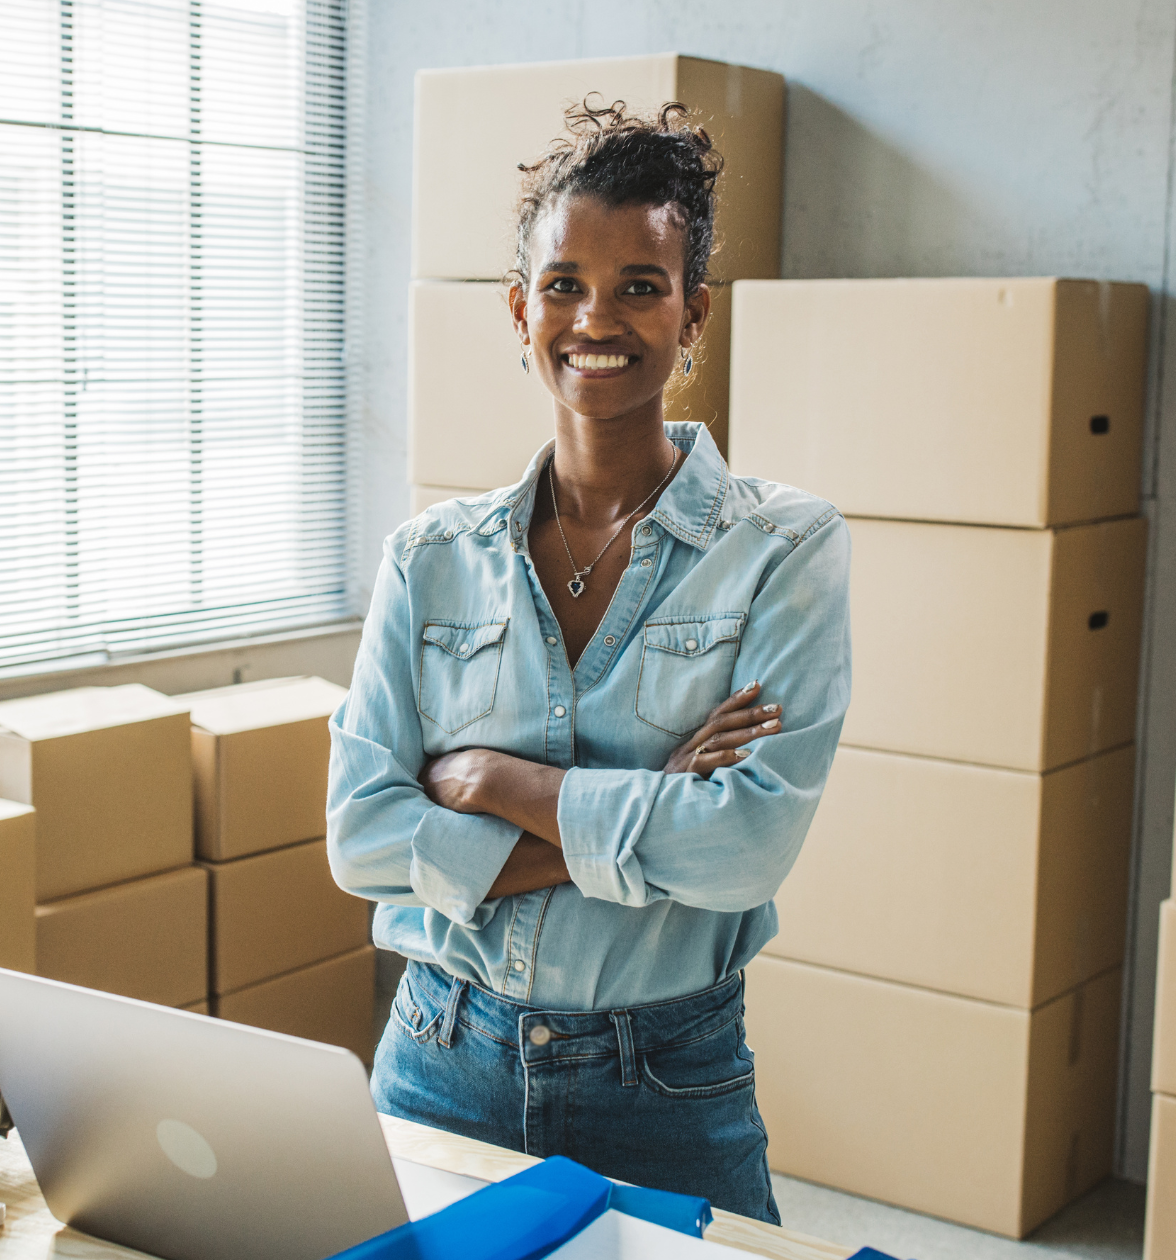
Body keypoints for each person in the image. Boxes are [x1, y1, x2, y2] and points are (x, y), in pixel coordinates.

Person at [326, 101, 851, 1222]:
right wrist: (657, 800)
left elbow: (743, 852)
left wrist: (498, 786)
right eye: (562, 283)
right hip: (436, 1055)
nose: (594, 317)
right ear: (518, 312)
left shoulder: (780, 550)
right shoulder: (427, 561)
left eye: (639, 284)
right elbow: (360, 839)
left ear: (692, 314)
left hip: (664, 1079)